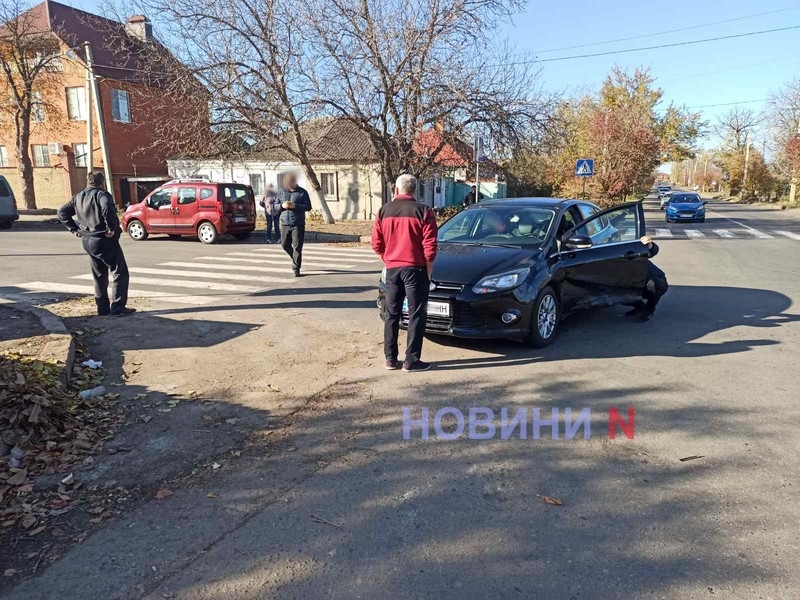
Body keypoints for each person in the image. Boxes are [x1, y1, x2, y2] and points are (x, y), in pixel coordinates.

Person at [372, 174, 438, 372]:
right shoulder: (424, 211)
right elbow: (430, 248)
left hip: (392, 269)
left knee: (392, 313)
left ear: (397, 190)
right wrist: (428, 273)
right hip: (415, 269)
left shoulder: (383, 210)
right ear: (414, 190)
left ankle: (390, 359)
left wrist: (389, 261)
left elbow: (376, 244)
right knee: (416, 314)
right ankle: (411, 360)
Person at [58, 170, 135, 316]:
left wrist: (74, 229)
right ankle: (118, 307)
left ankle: (103, 308)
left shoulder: (78, 197)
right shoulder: (102, 195)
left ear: (88, 181)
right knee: (120, 272)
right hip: (103, 239)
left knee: (99, 275)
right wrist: (111, 228)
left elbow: (62, 212)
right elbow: (107, 208)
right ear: (102, 182)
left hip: (87, 240)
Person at [626, 235, 668, 322]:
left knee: (655, 285)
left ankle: (649, 310)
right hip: (633, 281)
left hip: (655, 281)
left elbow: (652, 251)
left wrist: (650, 245)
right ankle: (640, 307)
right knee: (618, 290)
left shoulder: (637, 253)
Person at [277, 174, 312, 276]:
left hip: (298, 223)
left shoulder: (302, 192)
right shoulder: (281, 192)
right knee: (284, 245)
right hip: (285, 223)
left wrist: (295, 206)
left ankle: (296, 267)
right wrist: (281, 206)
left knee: (297, 246)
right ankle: (296, 258)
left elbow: (308, 207)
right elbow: (275, 205)